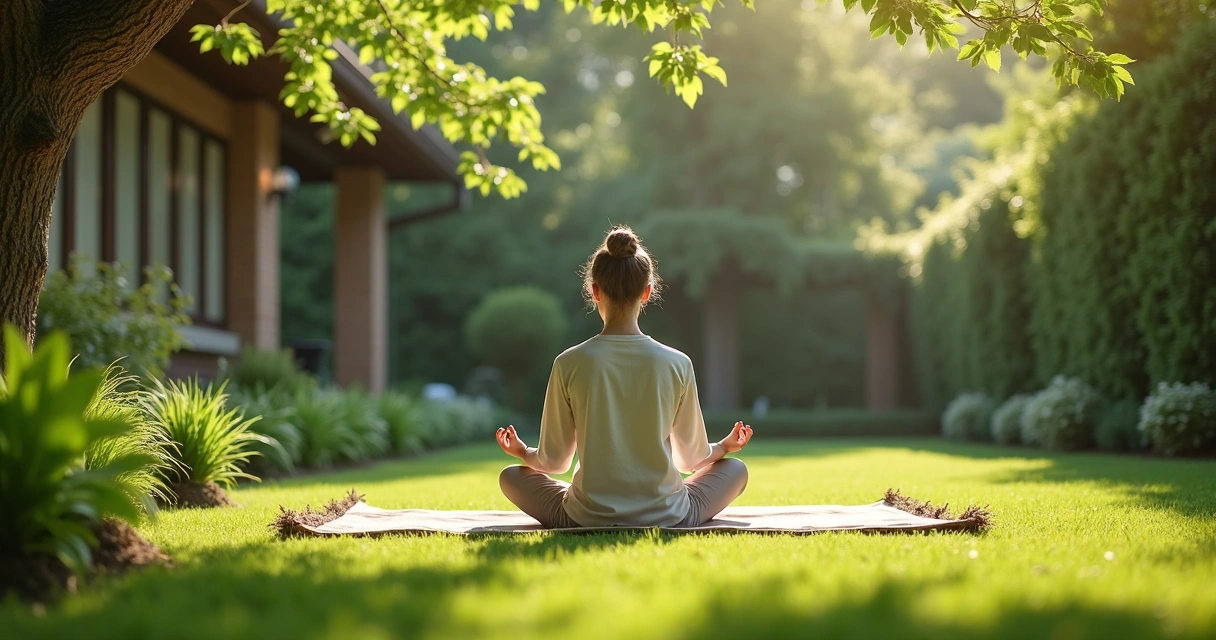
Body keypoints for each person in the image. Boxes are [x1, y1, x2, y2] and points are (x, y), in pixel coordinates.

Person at [495, 225, 754, 528]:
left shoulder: (569, 362)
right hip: (669, 515)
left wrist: (522, 451)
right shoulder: (677, 363)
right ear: (646, 292)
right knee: (735, 469)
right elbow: (690, 460)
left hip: (584, 517)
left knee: (511, 476)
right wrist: (724, 446)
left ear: (594, 291)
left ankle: (593, 505)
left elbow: (555, 463)